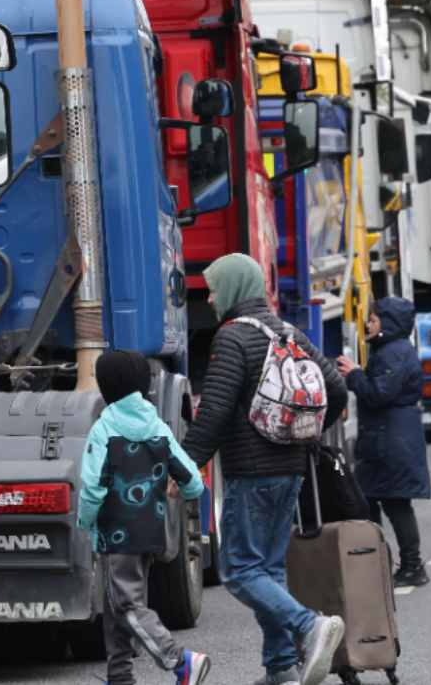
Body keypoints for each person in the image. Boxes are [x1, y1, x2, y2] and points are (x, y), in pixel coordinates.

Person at [181, 253, 349, 685]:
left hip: (251, 472)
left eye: (216, 288)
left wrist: (183, 466)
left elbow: (214, 412)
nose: (213, 298)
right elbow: (336, 388)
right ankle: (281, 669)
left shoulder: (232, 338)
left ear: (235, 288)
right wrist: (305, 435)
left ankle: (309, 625)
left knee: (239, 571)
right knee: (269, 570)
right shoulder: (288, 332)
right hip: (291, 468)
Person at [77, 350, 211, 685]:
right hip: (152, 533)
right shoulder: (158, 428)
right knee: (118, 604)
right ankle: (119, 677)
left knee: (126, 605)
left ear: (107, 387)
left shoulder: (104, 429)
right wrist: (174, 490)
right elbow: (194, 482)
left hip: (116, 534)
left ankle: (180, 660)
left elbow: (92, 488)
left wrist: (85, 521)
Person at [335, 298, 431, 588]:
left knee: (392, 503)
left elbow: (378, 393)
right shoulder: (394, 351)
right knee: (376, 500)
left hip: (391, 441)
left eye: (374, 320)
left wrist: (354, 374)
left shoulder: (393, 354)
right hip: (390, 438)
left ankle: (409, 565)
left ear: (387, 324)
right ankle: (382, 562)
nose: (368, 324)